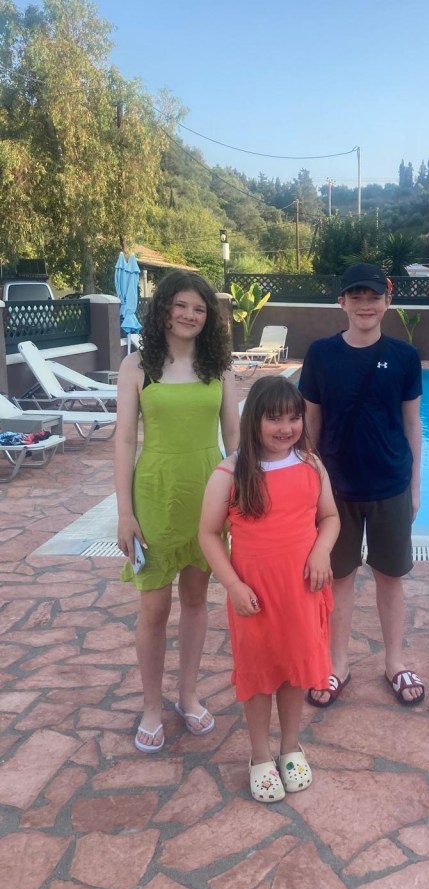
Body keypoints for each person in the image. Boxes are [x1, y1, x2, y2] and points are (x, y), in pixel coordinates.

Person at [115, 271, 240, 754]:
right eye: (181, 305)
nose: (190, 315)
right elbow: (125, 441)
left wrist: (241, 498)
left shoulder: (219, 367)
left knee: (195, 599)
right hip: (155, 494)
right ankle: (152, 705)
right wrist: (124, 513)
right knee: (153, 607)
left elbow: (234, 439)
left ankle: (188, 695)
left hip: (207, 493)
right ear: (164, 309)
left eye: (199, 309)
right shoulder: (137, 366)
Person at [198, 376, 339, 802]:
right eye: (274, 419)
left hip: (301, 592)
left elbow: (330, 517)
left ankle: (290, 746)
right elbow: (208, 534)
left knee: (295, 670)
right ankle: (260, 754)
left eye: (293, 418)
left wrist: (321, 551)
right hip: (254, 598)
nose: (286, 428)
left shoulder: (310, 464)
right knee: (259, 675)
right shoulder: (230, 473)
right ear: (254, 419)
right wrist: (232, 584)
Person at [298, 262, 424, 708]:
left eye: (373, 297)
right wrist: (309, 485)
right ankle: (337, 664)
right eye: (356, 296)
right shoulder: (321, 354)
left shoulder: (405, 356)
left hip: (390, 483)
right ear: (342, 302)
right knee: (339, 579)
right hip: (336, 490)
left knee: (390, 577)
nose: (365, 305)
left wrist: (415, 486)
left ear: (387, 302)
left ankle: (395, 661)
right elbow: (310, 423)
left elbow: (412, 424)